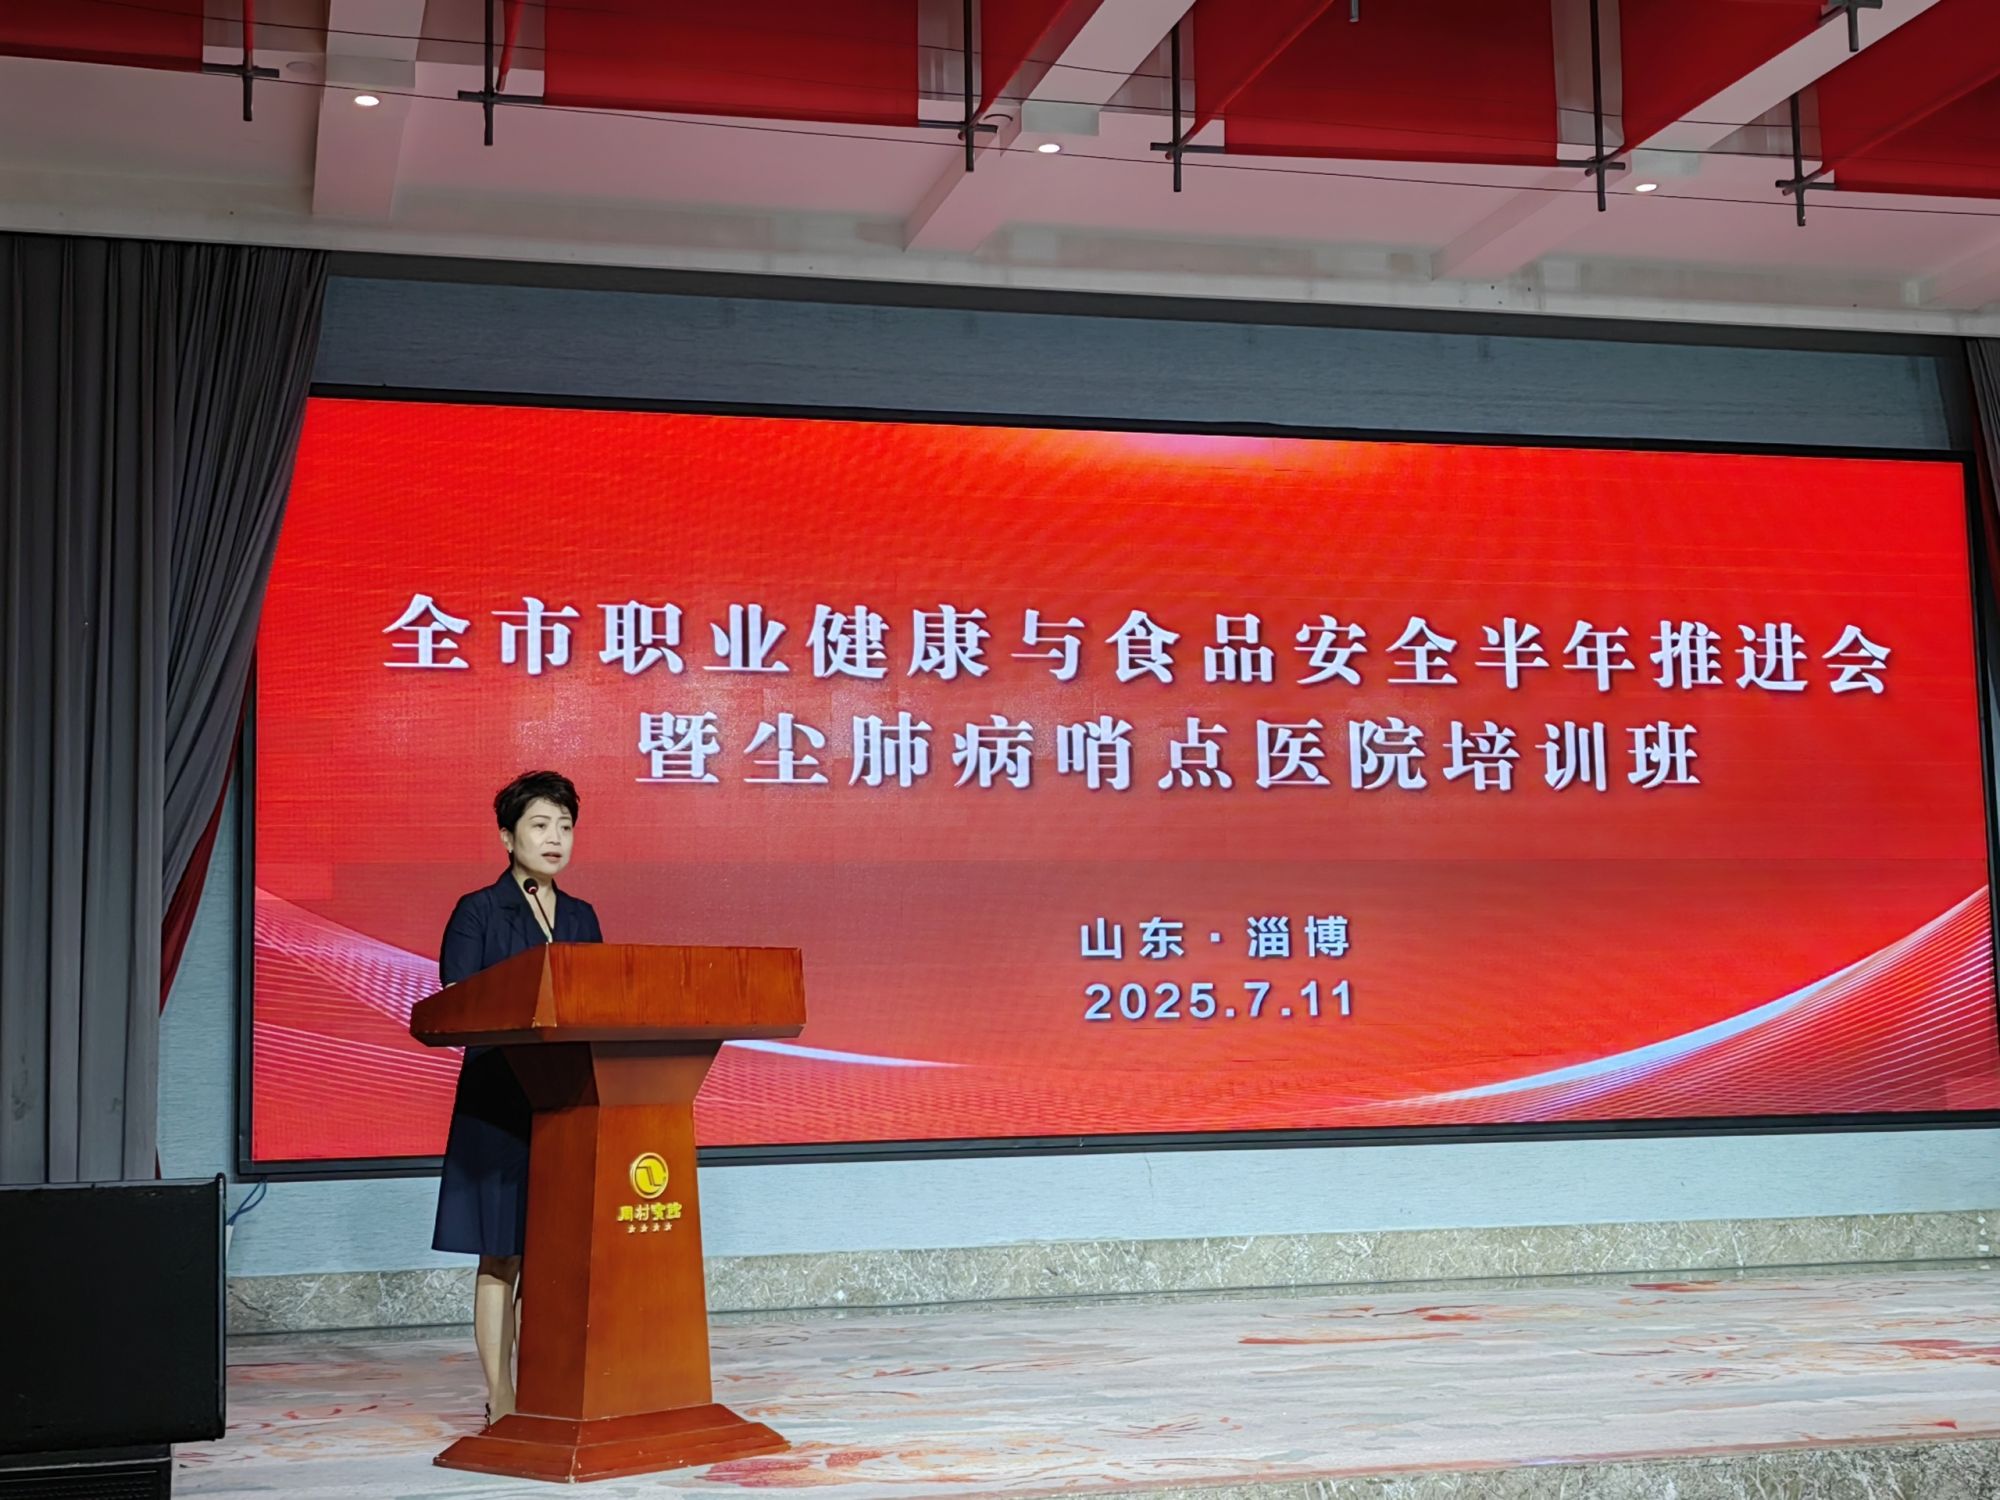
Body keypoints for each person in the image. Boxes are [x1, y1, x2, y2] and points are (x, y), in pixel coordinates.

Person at [431, 770, 604, 1425]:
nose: (555, 838)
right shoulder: (478, 911)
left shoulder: (581, 917)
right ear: (507, 837)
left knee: (555, 1253)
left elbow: (599, 1004)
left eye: (565, 826)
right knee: (500, 1252)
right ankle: (501, 1400)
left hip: (565, 1106)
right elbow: (458, 1002)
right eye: (540, 825)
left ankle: (545, 1391)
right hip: (499, 1104)